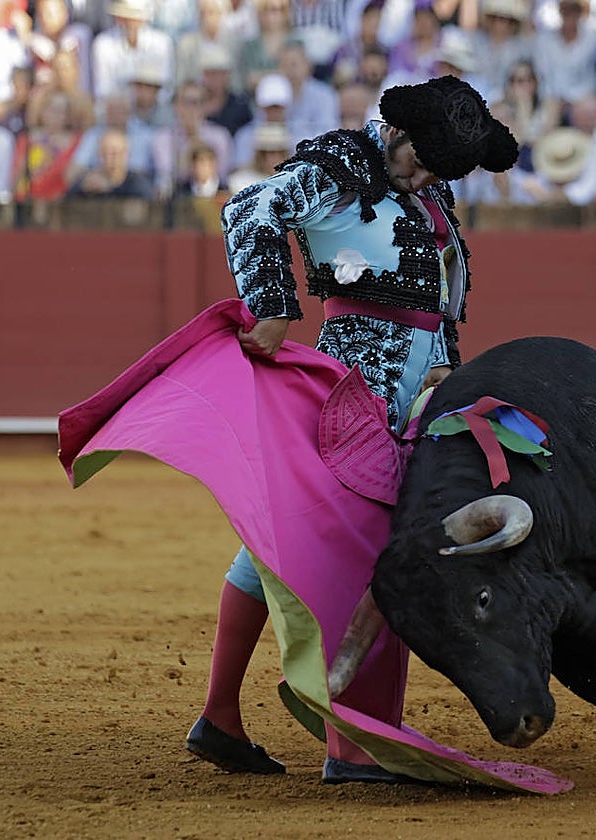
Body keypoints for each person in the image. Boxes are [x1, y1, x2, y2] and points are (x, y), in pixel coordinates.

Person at [188, 74, 518, 783]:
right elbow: (250, 208)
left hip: (410, 401)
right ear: (395, 131)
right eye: (420, 162)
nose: (425, 179)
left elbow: (435, 295)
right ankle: (352, 744)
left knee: (278, 545)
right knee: (361, 550)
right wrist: (272, 304)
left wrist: (444, 364)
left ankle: (221, 716)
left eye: (438, 172)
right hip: (352, 397)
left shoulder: (430, 185)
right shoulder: (341, 163)